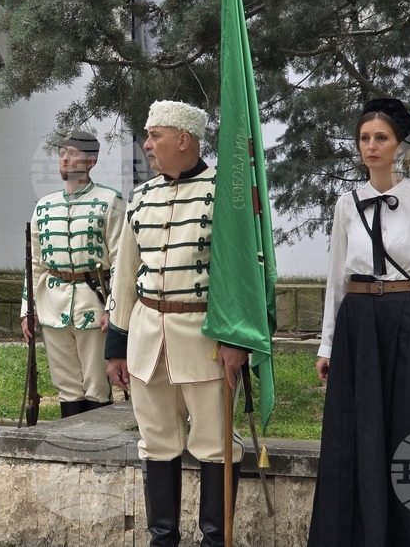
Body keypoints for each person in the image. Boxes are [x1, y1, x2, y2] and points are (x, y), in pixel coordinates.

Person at [307, 98, 410, 547]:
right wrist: (326, 344)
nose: (371, 146)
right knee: (356, 433)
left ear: (399, 144)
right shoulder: (345, 204)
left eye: (381, 137)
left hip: (405, 320)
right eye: (364, 138)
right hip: (356, 322)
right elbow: (337, 278)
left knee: (409, 428)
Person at [106, 100, 245, 547]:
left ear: (183, 140)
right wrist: (116, 345)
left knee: (215, 444)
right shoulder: (141, 197)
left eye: (155, 136)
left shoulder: (226, 191)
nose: (147, 145)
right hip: (148, 339)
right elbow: (125, 276)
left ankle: (214, 541)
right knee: (157, 443)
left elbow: (242, 269)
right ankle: (162, 540)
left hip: (207, 341)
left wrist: (235, 339)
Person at [21, 130, 124, 417]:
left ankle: (96, 448)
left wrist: (114, 309)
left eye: (72, 153)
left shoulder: (110, 201)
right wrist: (26, 309)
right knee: (66, 385)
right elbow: (35, 263)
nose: (64, 159)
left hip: (94, 303)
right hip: (52, 304)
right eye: (62, 153)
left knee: (96, 384)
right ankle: (70, 450)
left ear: (90, 162)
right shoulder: (44, 206)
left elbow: (120, 260)